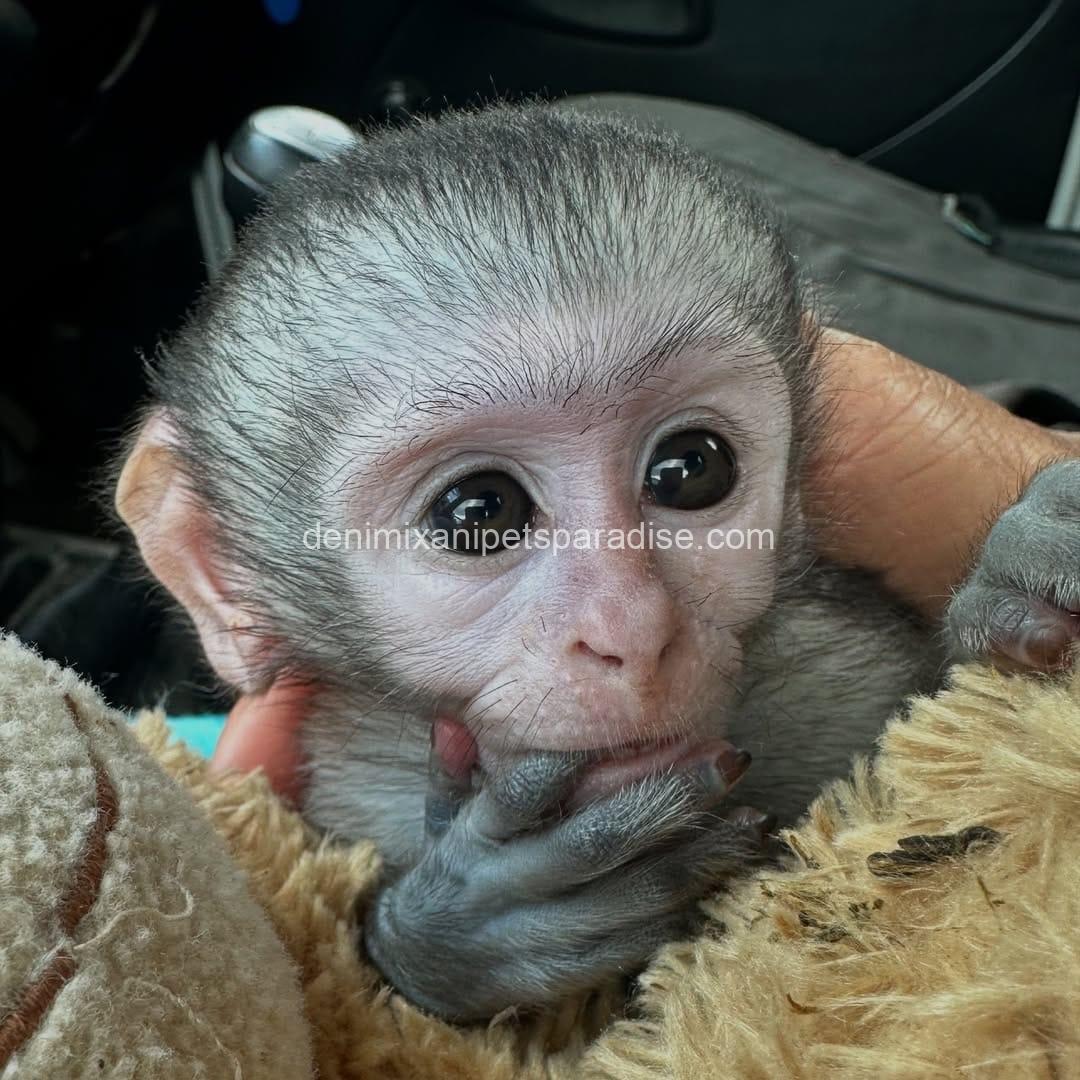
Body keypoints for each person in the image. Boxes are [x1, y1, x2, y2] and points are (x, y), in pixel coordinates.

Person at [209, 330, 1080, 804]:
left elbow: (970, 775)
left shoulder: (819, 592)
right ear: (224, 562)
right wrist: (418, 949)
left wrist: (1010, 606)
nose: (633, 628)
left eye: (688, 466)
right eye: (479, 513)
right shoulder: (347, 748)